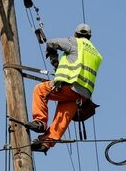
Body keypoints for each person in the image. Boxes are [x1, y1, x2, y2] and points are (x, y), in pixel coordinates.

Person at [24, 23, 103, 153]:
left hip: (71, 86)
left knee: (40, 90)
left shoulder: (75, 42)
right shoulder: (96, 54)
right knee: (63, 116)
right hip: (83, 95)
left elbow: (51, 43)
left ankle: (40, 122)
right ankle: (46, 143)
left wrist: (54, 59)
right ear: (89, 37)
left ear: (76, 34)